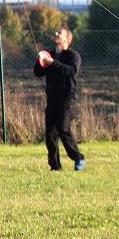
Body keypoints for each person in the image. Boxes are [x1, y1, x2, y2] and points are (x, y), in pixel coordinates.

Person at [33, 27, 86, 171]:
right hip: (52, 99)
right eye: (55, 32)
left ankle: (78, 158)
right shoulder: (49, 54)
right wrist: (40, 61)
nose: (55, 34)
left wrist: (52, 63)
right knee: (50, 135)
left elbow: (71, 70)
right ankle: (55, 167)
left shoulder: (73, 55)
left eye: (59, 33)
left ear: (67, 39)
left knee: (63, 128)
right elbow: (38, 72)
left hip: (67, 98)